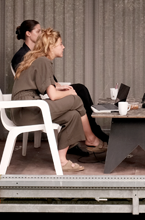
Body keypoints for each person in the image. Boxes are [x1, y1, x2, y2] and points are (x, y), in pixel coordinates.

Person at [12, 28, 107, 172]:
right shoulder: (43, 61)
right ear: (50, 47)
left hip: (30, 108)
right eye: (60, 44)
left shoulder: (40, 60)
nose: (63, 47)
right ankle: (91, 139)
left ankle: (62, 161)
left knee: (73, 115)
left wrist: (61, 89)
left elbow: (51, 88)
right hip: (27, 111)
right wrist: (70, 93)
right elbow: (53, 96)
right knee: (75, 99)